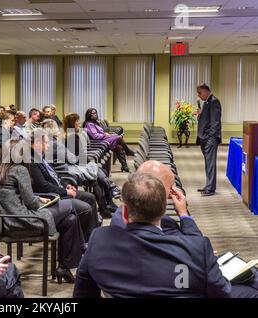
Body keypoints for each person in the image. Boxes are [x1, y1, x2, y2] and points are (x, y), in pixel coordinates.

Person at [74, 172, 258, 298]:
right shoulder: (197, 249)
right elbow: (222, 293)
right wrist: (184, 215)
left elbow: (83, 292)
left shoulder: (98, 241)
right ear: (164, 209)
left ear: (124, 212)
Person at [0, 139, 88, 283]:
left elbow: (13, 194)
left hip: (9, 220)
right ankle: (80, 252)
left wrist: (39, 198)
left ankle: (64, 267)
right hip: (24, 220)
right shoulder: (20, 170)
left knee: (70, 219)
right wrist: (40, 201)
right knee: (71, 206)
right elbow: (31, 203)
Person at [29, 128, 100, 241]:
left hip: (59, 190)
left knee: (90, 197)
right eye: (46, 143)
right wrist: (66, 191)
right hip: (51, 197)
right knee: (86, 207)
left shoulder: (40, 157)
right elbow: (42, 186)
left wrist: (66, 185)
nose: (48, 146)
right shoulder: (31, 160)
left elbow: (54, 176)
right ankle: (86, 240)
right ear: (37, 143)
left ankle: (92, 237)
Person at [42, 119, 118, 218]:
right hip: (65, 172)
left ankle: (106, 206)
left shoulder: (50, 141)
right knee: (93, 173)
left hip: (61, 169)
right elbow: (71, 158)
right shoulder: (55, 143)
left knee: (92, 169)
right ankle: (106, 204)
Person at [110, 160, 198, 235]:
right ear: (155, 188)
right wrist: (183, 214)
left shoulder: (119, 215)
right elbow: (197, 248)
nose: (172, 192)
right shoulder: (165, 225)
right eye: (170, 187)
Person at [83, 108, 133, 172]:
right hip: (100, 142)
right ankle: (128, 152)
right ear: (89, 114)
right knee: (119, 138)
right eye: (93, 113)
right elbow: (95, 136)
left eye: (96, 113)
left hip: (103, 140)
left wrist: (104, 133)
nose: (95, 114)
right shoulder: (89, 124)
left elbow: (99, 133)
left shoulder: (94, 123)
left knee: (119, 147)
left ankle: (124, 166)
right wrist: (104, 135)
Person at [196, 84, 222, 196]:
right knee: (208, 163)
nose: (198, 95)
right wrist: (200, 115)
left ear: (206, 91)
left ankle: (210, 188)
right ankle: (208, 185)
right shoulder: (206, 102)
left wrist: (210, 138)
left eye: (200, 92)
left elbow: (215, 123)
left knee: (210, 164)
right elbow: (206, 120)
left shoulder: (214, 102)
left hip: (210, 139)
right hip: (204, 138)